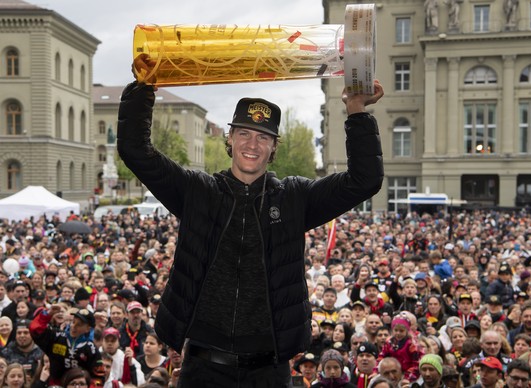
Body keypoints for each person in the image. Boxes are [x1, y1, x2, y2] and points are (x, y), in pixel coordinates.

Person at [120, 55, 384, 387]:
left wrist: (357, 110)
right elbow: (135, 150)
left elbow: (365, 180)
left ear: (274, 148)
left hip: (268, 370)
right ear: (229, 139)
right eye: (244, 133)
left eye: (263, 137)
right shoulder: (198, 192)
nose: (252, 144)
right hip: (203, 367)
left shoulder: (293, 198)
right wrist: (144, 87)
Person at [29, 305, 102, 386]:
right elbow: (35, 330)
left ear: (87, 328)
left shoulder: (91, 349)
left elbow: (99, 377)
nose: (73, 326)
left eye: (79, 324)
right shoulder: (56, 337)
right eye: (73, 322)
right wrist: (48, 314)